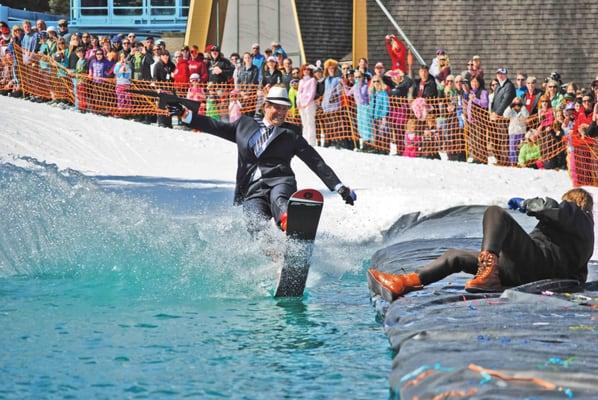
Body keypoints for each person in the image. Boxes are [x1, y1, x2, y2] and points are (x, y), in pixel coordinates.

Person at [172, 86, 356, 234]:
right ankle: (274, 259)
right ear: (266, 106)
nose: (282, 113)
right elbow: (215, 126)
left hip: (280, 181)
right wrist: (185, 115)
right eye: (278, 108)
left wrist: (339, 187)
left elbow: (315, 161)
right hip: (252, 189)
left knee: (280, 199)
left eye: (285, 109)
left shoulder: (291, 133)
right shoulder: (244, 124)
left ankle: (290, 222)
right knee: (254, 222)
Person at [368, 188, 594, 301]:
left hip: (536, 266)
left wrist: (529, 204)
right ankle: (404, 283)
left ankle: (488, 272)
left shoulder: (580, 217)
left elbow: (554, 208)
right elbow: (578, 277)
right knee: (455, 256)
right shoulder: (582, 238)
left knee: (496, 213)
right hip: (526, 274)